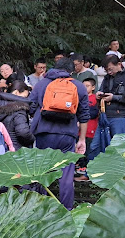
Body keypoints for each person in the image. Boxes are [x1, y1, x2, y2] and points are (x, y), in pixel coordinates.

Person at [29, 57, 89, 210]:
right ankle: (67, 211)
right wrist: (81, 139)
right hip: (67, 135)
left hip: (44, 133)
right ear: (71, 71)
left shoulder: (41, 84)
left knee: (42, 171)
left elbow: (30, 107)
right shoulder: (79, 86)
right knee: (67, 175)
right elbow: (84, 115)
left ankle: (41, 209)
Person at [0, 80, 35, 150]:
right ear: (16, 92)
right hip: (16, 150)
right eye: (24, 97)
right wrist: (32, 138)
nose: (26, 100)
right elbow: (23, 132)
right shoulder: (20, 108)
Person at [98, 54, 125, 138]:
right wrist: (99, 95)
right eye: (107, 70)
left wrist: (113, 97)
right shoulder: (107, 78)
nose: (109, 72)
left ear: (119, 64)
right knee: (97, 146)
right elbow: (102, 90)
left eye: (110, 69)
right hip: (105, 116)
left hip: (120, 116)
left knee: (118, 145)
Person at [75, 77, 101, 180]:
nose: (85, 88)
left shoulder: (95, 98)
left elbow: (94, 113)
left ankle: (86, 172)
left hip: (91, 129)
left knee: (89, 150)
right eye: (83, 86)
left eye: (87, 86)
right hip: (79, 131)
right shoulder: (79, 98)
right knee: (79, 151)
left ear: (93, 87)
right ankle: (79, 169)